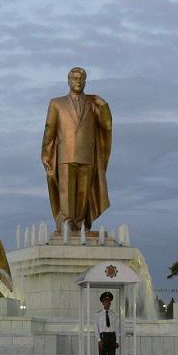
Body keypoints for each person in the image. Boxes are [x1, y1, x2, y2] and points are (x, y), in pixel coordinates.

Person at [41, 67, 113, 232]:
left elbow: (107, 125)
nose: (78, 81)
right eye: (74, 78)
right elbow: (49, 130)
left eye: (81, 79)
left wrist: (104, 105)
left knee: (83, 194)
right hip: (64, 155)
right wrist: (46, 154)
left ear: (85, 82)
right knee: (66, 191)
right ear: (68, 81)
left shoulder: (93, 104)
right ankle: (66, 223)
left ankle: (80, 223)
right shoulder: (57, 103)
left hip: (87, 155)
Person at [95, 291, 119, 355]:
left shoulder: (113, 314)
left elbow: (117, 328)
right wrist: (99, 340)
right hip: (103, 336)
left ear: (110, 303)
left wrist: (117, 341)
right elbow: (96, 328)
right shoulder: (98, 314)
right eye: (105, 301)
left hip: (112, 336)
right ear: (102, 303)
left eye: (109, 302)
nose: (107, 303)